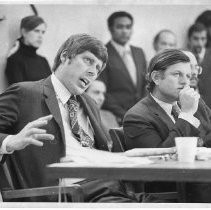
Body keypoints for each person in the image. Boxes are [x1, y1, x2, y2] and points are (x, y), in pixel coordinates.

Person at [0, 34, 141, 202]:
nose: (93, 72)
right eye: (88, 61)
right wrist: (10, 141)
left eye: (98, 68)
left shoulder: (90, 103)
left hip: (107, 187)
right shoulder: (25, 93)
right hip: (65, 194)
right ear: (65, 56)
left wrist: (135, 155)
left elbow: (100, 152)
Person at [123, 49, 211, 202]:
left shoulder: (196, 104)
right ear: (156, 77)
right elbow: (159, 165)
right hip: (175, 190)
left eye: (188, 76)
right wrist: (187, 115)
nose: (185, 82)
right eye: (177, 74)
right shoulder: (137, 116)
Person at [99, 11, 147, 124]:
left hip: (142, 115)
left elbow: (146, 84)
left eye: (128, 27)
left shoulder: (139, 52)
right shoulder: (102, 53)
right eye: (120, 27)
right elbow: (102, 90)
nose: (125, 31)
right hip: (116, 117)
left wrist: (143, 110)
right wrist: (125, 114)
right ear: (111, 29)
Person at [5, 15, 51, 85]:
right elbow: (19, 93)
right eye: (36, 31)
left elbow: (52, 89)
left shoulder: (43, 61)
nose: (40, 36)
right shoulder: (15, 60)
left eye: (43, 32)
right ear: (24, 32)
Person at [187, 23, 211, 108]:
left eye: (203, 39)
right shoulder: (184, 57)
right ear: (189, 39)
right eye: (196, 38)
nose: (199, 43)